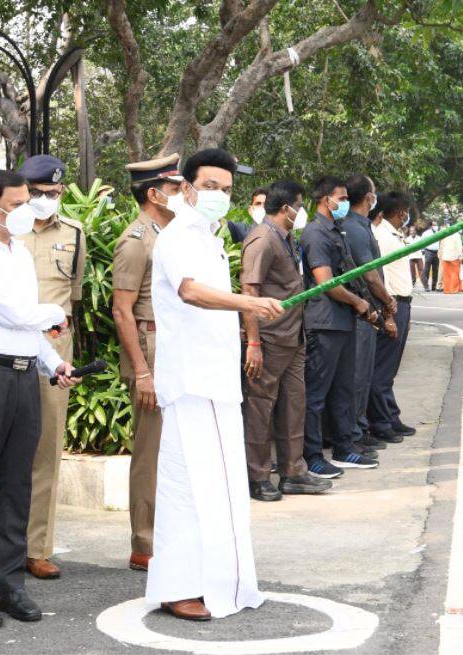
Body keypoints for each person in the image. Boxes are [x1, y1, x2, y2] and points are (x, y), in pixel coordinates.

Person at [144, 148, 284, 621]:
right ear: (184, 189)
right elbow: (189, 291)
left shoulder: (207, 235)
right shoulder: (180, 233)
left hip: (214, 379)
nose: (219, 197)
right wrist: (249, 306)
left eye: (225, 190)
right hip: (191, 381)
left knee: (213, 487)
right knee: (190, 487)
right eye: (209, 187)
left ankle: (214, 581)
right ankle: (181, 586)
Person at [0, 169, 80, 628]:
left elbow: (25, 328)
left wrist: (52, 363)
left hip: (24, 378)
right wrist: (56, 314)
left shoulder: (18, 252)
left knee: (16, 485)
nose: (31, 209)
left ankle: (9, 585)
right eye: (21, 202)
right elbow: (14, 312)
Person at [0, 154, 86, 584]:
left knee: (46, 452)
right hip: (5, 349)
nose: (44, 201)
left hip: (53, 351)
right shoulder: (4, 234)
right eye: (36, 194)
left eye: (53, 194)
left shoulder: (74, 234)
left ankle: (35, 549)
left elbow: (71, 297)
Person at [240, 180, 332, 501]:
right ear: (285, 209)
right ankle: (257, 476)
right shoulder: (262, 240)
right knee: (260, 409)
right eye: (299, 206)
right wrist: (253, 343)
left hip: (293, 336)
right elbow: (249, 292)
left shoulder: (286, 238)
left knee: (294, 405)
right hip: (268, 338)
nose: (301, 212)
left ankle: (293, 472)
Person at [113, 153, 183, 573]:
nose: (181, 195)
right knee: (150, 451)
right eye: (174, 189)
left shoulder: (171, 234)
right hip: (151, 345)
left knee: (172, 449)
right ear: (154, 193)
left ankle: (167, 534)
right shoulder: (136, 240)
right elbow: (122, 310)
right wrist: (141, 371)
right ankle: (144, 543)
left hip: (173, 342)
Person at [300, 176, 376, 479]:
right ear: (324, 198)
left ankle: (344, 447)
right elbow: (326, 282)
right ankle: (313, 455)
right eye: (340, 197)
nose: (344, 203)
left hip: (342, 321)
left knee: (343, 389)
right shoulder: (316, 233)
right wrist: (359, 303)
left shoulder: (337, 230)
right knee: (316, 394)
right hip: (324, 322)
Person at [338, 174, 400, 464]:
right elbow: (370, 275)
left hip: (367, 312)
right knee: (357, 377)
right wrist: (387, 303)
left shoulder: (358, 226)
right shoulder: (356, 228)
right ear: (368, 198)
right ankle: (352, 434)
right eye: (374, 193)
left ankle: (358, 429)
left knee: (361, 375)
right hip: (362, 312)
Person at [367, 192, 419, 441]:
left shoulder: (393, 235)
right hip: (393, 305)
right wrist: (388, 314)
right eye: (405, 211)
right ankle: (381, 422)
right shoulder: (383, 237)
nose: (406, 216)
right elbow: (380, 278)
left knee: (390, 367)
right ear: (400, 212)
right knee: (382, 369)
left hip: (402, 304)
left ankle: (390, 415)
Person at [439, 226, 463, 293]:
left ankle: (447, 289)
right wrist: (460, 256)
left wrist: (440, 255)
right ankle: (454, 289)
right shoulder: (456, 235)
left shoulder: (444, 235)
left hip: (445, 256)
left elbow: (441, 245)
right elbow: (459, 246)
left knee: (446, 274)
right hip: (454, 256)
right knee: (454, 274)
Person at [421, 221, 440, 291]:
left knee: (436, 270)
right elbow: (422, 242)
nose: (435, 226)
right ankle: (426, 286)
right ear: (431, 226)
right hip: (428, 252)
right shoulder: (426, 233)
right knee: (426, 270)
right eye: (434, 225)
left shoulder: (439, 232)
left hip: (437, 252)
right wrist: (423, 250)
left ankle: (434, 286)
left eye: (436, 225)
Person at [408, 222, 425, 290]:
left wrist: (422, 251)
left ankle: (425, 286)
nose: (412, 232)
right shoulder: (407, 239)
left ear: (416, 231)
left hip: (418, 256)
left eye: (413, 231)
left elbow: (423, 247)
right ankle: (412, 286)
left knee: (421, 271)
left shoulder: (419, 238)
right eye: (411, 231)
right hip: (411, 257)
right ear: (409, 232)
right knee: (412, 273)